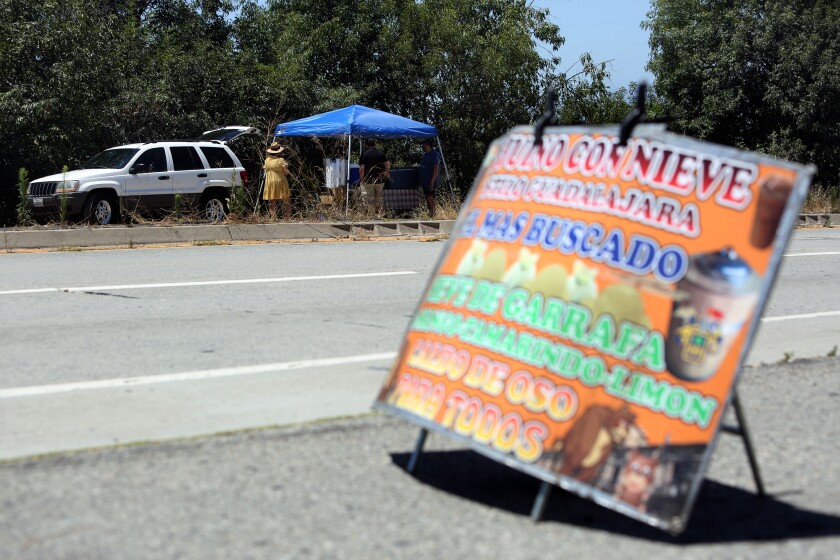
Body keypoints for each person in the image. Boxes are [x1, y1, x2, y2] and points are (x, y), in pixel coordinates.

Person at [358, 138, 390, 216]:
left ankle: (369, 215)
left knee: (368, 200)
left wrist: (362, 178)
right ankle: (379, 215)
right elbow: (388, 163)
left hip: (367, 180)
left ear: (366, 145)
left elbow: (362, 168)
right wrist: (385, 173)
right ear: (374, 144)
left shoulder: (364, 154)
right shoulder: (380, 153)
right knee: (379, 199)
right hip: (379, 180)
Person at [263, 141, 291, 219]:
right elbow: (286, 172)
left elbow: (265, 168)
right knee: (286, 199)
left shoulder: (267, 160)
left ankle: (273, 217)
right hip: (280, 180)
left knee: (272, 200)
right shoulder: (281, 160)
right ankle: (287, 217)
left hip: (270, 181)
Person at [418, 138, 441, 218]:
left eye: (423, 145)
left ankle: (434, 214)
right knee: (427, 198)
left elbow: (435, 168)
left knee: (430, 197)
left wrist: (432, 181)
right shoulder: (425, 154)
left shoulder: (433, 154)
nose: (422, 147)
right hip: (425, 181)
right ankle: (430, 214)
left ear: (428, 145)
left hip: (430, 181)